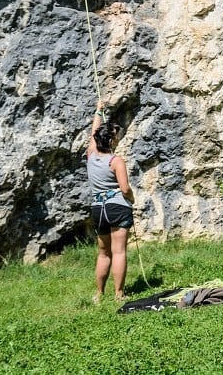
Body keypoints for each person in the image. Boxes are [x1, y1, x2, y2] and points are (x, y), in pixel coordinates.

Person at [87, 100, 135, 303]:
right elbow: (124, 189)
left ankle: (98, 294)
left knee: (103, 253)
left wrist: (98, 110)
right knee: (119, 251)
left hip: (98, 208)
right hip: (117, 206)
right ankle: (119, 294)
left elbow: (93, 132)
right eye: (116, 137)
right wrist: (132, 199)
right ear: (111, 141)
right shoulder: (116, 161)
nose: (118, 139)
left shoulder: (90, 155)